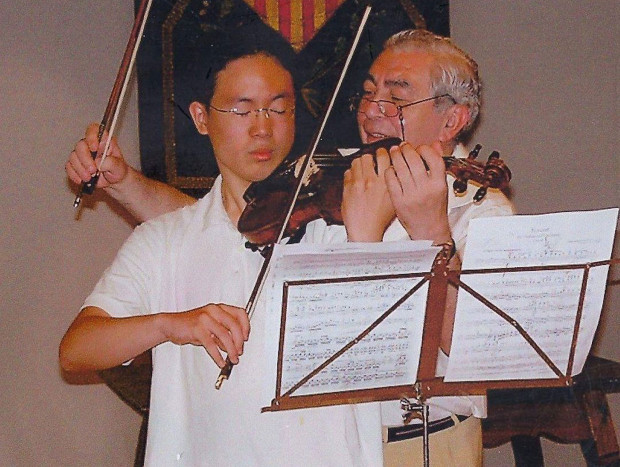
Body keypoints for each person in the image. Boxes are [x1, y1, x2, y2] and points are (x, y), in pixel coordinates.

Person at [64, 29, 514, 466]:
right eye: (368, 93)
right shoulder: (334, 179)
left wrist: (428, 231)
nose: (372, 110)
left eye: (395, 97)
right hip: (341, 437)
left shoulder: (476, 209)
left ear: (452, 119)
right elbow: (236, 221)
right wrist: (126, 185)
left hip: (425, 440)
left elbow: (483, 349)